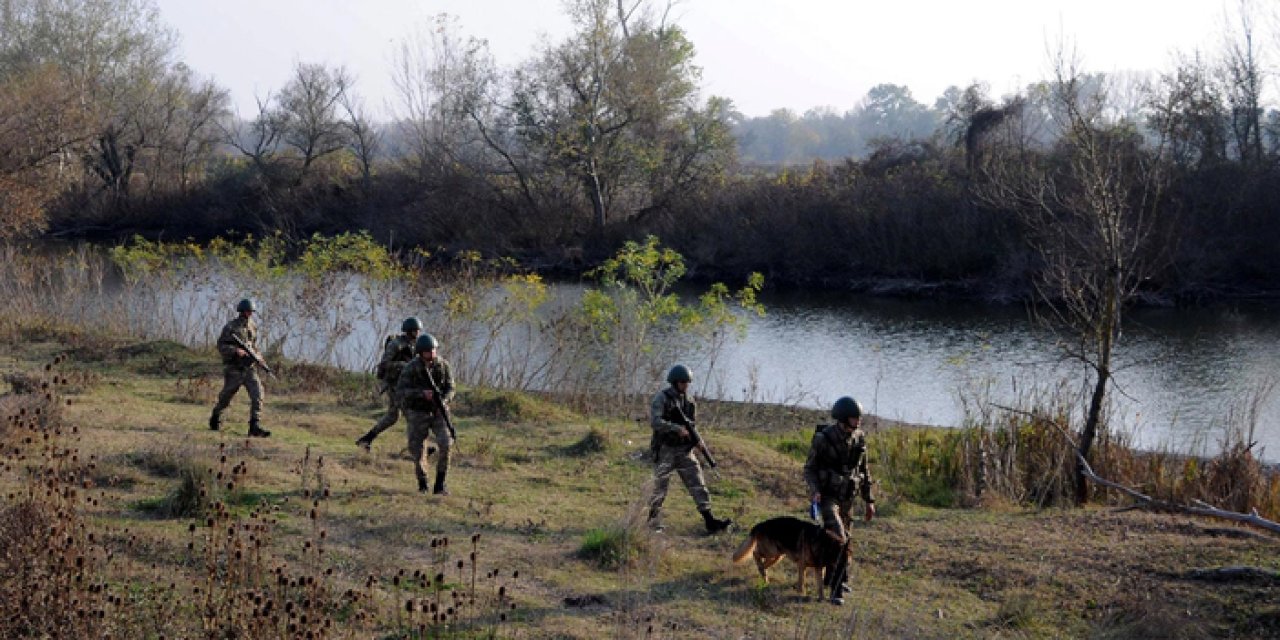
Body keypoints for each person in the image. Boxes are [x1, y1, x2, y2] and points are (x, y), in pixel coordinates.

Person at [803, 395, 876, 605]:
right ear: (844, 418)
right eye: (855, 418)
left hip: (848, 498)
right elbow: (809, 468)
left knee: (847, 541)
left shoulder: (859, 438)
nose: (858, 421)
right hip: (828, 497)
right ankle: (836, 590)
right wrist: (815, 490)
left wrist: (869, 500)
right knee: (838, 537)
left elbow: (864, 471)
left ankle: (837, 578)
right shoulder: (823, 439)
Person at [647, 364, 733, 534]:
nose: (685, 385)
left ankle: (709, 520)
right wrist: (675, 428)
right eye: (682, 382)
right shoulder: (662, 398)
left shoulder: (689, 402)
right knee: (660, 487)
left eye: (687, 382)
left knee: (697, 483)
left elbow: (692, 425)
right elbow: (655, 422)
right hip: (665, 449)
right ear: (674, 382)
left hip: (684, 450)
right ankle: (652, 520)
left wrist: (698, 442)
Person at [396, 333, 455, 494]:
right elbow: (401, 391)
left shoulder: (443, 366)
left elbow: (451, 388)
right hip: (417, 412)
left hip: (438, 411)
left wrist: (443, 400)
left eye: (434, 350)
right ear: (421, 352)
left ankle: (440, 484)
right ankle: (423, 483)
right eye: (429, 351)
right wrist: (422, 394)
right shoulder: (411, 368)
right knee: (417, 448)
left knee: (446, 443)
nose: (432, 354)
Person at [355, 317, 422, 451]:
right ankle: (418, 448)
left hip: (406, 384)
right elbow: (385, 364)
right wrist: (404, 365)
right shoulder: (396, 345)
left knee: (393, 417)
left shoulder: (415, 345)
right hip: (394, 385)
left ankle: (366, 439)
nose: (417, 333)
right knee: (411, 414)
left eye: (418, 330)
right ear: (408, 331)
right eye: (415, 331)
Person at [209, 298, 270, 437]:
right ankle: (216, 417)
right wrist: (236, 351)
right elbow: (221, 345)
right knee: (226, 397)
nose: (249, 314)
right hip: (234, 369)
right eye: (247, 311)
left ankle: (254, 426)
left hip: (249, 368)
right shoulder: (231, 327)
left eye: (251, 311)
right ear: (241, 311)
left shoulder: (253, 327)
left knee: (258, 395)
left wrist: (259, 358)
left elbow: (253, 346)